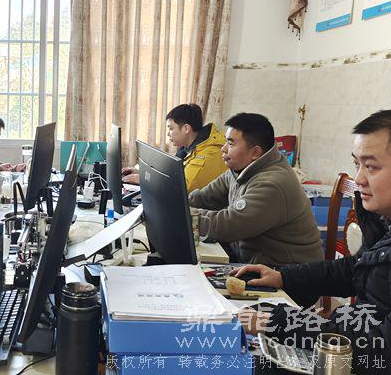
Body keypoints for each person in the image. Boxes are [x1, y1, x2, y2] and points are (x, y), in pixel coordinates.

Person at [235, 110, 391, 375]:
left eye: (371, 167)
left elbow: (379, 348)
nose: (359, 179)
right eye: (357, 164)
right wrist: (283, 276)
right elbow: (354, 269)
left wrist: (278, 323)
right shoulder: (382, 221)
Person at [189, 113, 322, 265]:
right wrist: (179, 205)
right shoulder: (238, 169)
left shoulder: (272, 184)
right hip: (251, 260)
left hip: (285, 271)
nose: (223, 149)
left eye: (231, 144)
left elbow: (228, 226)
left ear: (255, 152)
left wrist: (184, 216)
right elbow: (205, 198)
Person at [122, 103, 227, 193]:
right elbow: (171, 175)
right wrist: (143, 173)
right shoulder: (189, 148)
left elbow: (181, 189)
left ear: (186, 128)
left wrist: (144, 180)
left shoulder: (208, 154)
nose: (168, 134)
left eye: (171, 128)